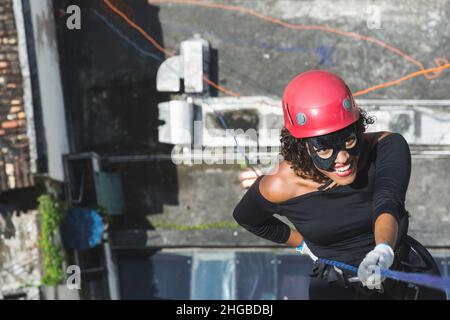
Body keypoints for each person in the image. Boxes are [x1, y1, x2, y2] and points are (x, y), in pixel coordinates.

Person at [233, 70, 446, 300]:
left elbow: (387, 201)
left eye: (349, 140)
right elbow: (248, 217)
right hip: (335, 288)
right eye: (325, 149)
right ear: (302, 146)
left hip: (404, 277)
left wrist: (383, 249)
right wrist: (303, 245)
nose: (343, 158)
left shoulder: (386, 147)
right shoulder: (281, 185)